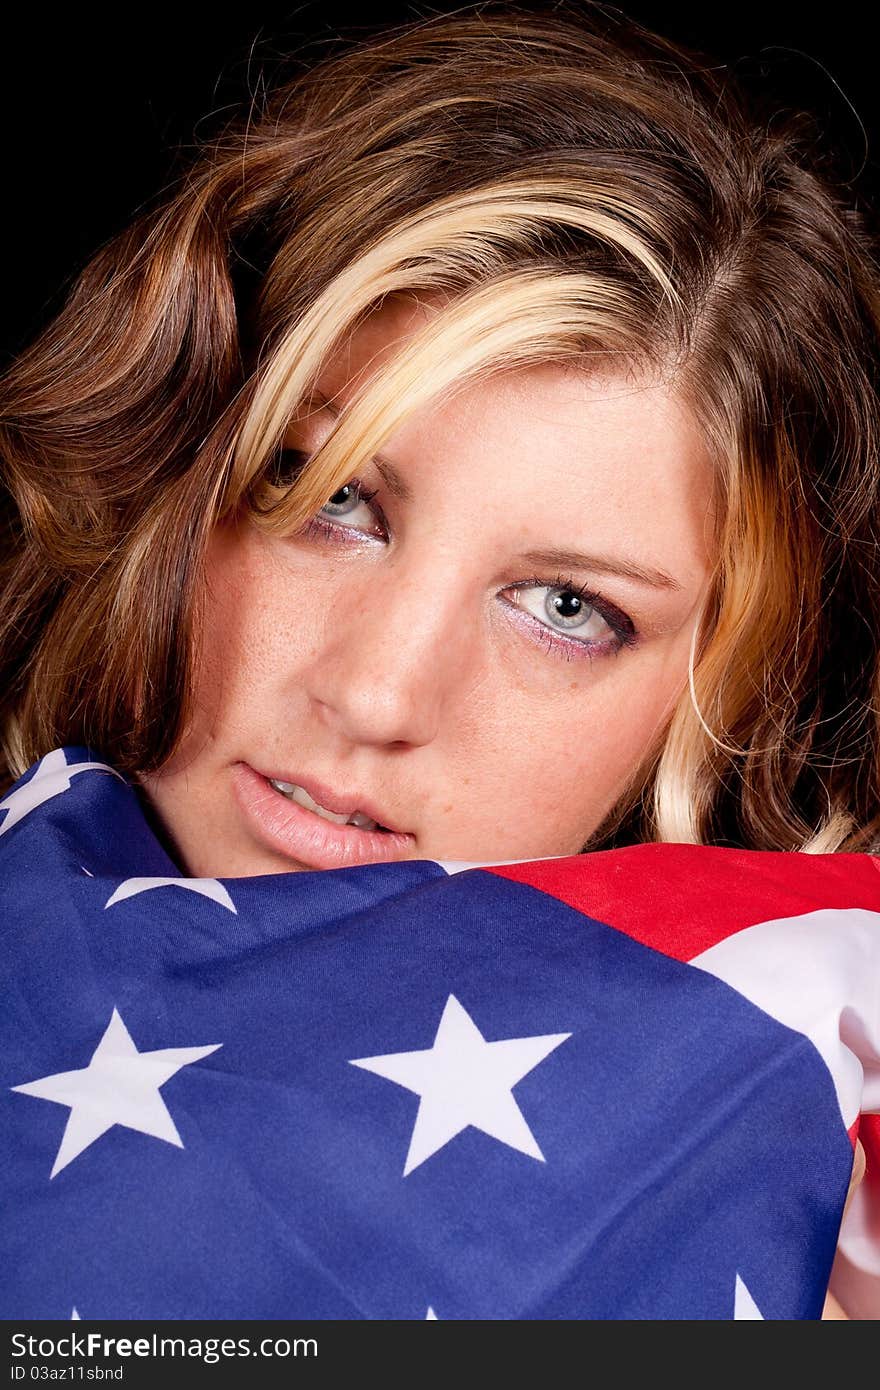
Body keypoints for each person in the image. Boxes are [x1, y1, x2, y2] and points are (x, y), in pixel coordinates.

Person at [1, 0, 878, 1320]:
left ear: (732, 700)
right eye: (329, 494)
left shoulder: (803, 1215)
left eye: (568, 607)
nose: (375, 692)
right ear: (179, 454)